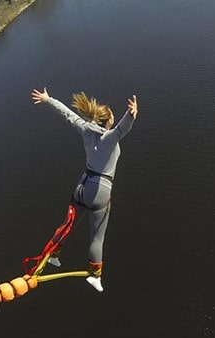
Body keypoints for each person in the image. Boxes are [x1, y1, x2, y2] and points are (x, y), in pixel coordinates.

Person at [31, 87, 138, 292]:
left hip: (81, 185)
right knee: (97, 237)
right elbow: (123, 129)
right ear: (107, 121)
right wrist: (130, 115)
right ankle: (95, 276)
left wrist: (48, 99)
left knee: (67, 224)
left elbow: (68, 114)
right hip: (99, 191)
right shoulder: (109, 138)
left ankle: (53, 255)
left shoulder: (86, 130)